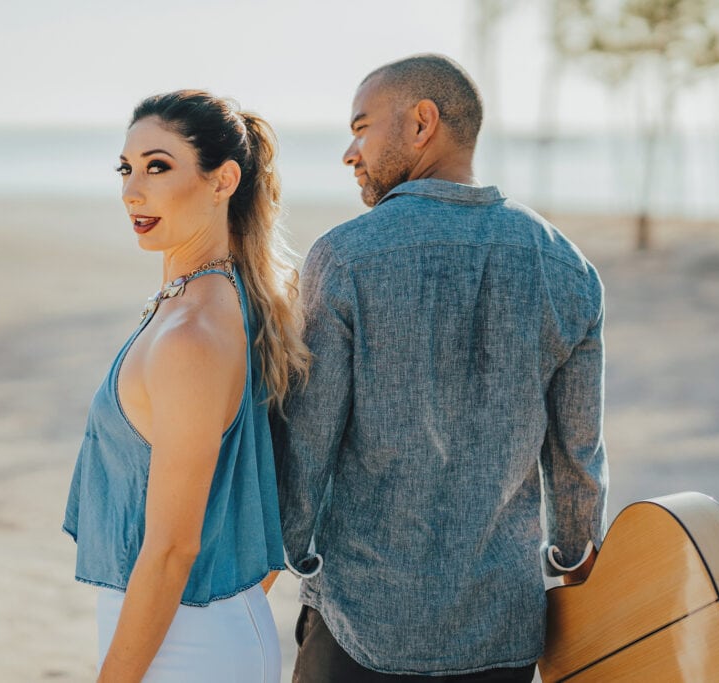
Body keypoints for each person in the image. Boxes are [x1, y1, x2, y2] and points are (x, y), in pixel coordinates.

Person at [274, 54, 609, 682]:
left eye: (362, 126)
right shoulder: (569, 268)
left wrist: (282, 551)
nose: (351, 152)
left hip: (362, 623)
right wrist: (572, 548)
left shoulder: (345, 256)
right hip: (501, 626)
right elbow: (577, 452)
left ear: (422, 122)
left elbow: (308, 441)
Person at [63, 89, 309, 682]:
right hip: (187, 627)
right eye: (126, 169)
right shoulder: (212, 302)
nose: (131, 191)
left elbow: (174, 549)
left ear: (223, 180)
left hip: (189, 644)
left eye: (158, 167)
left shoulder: (193, 333)